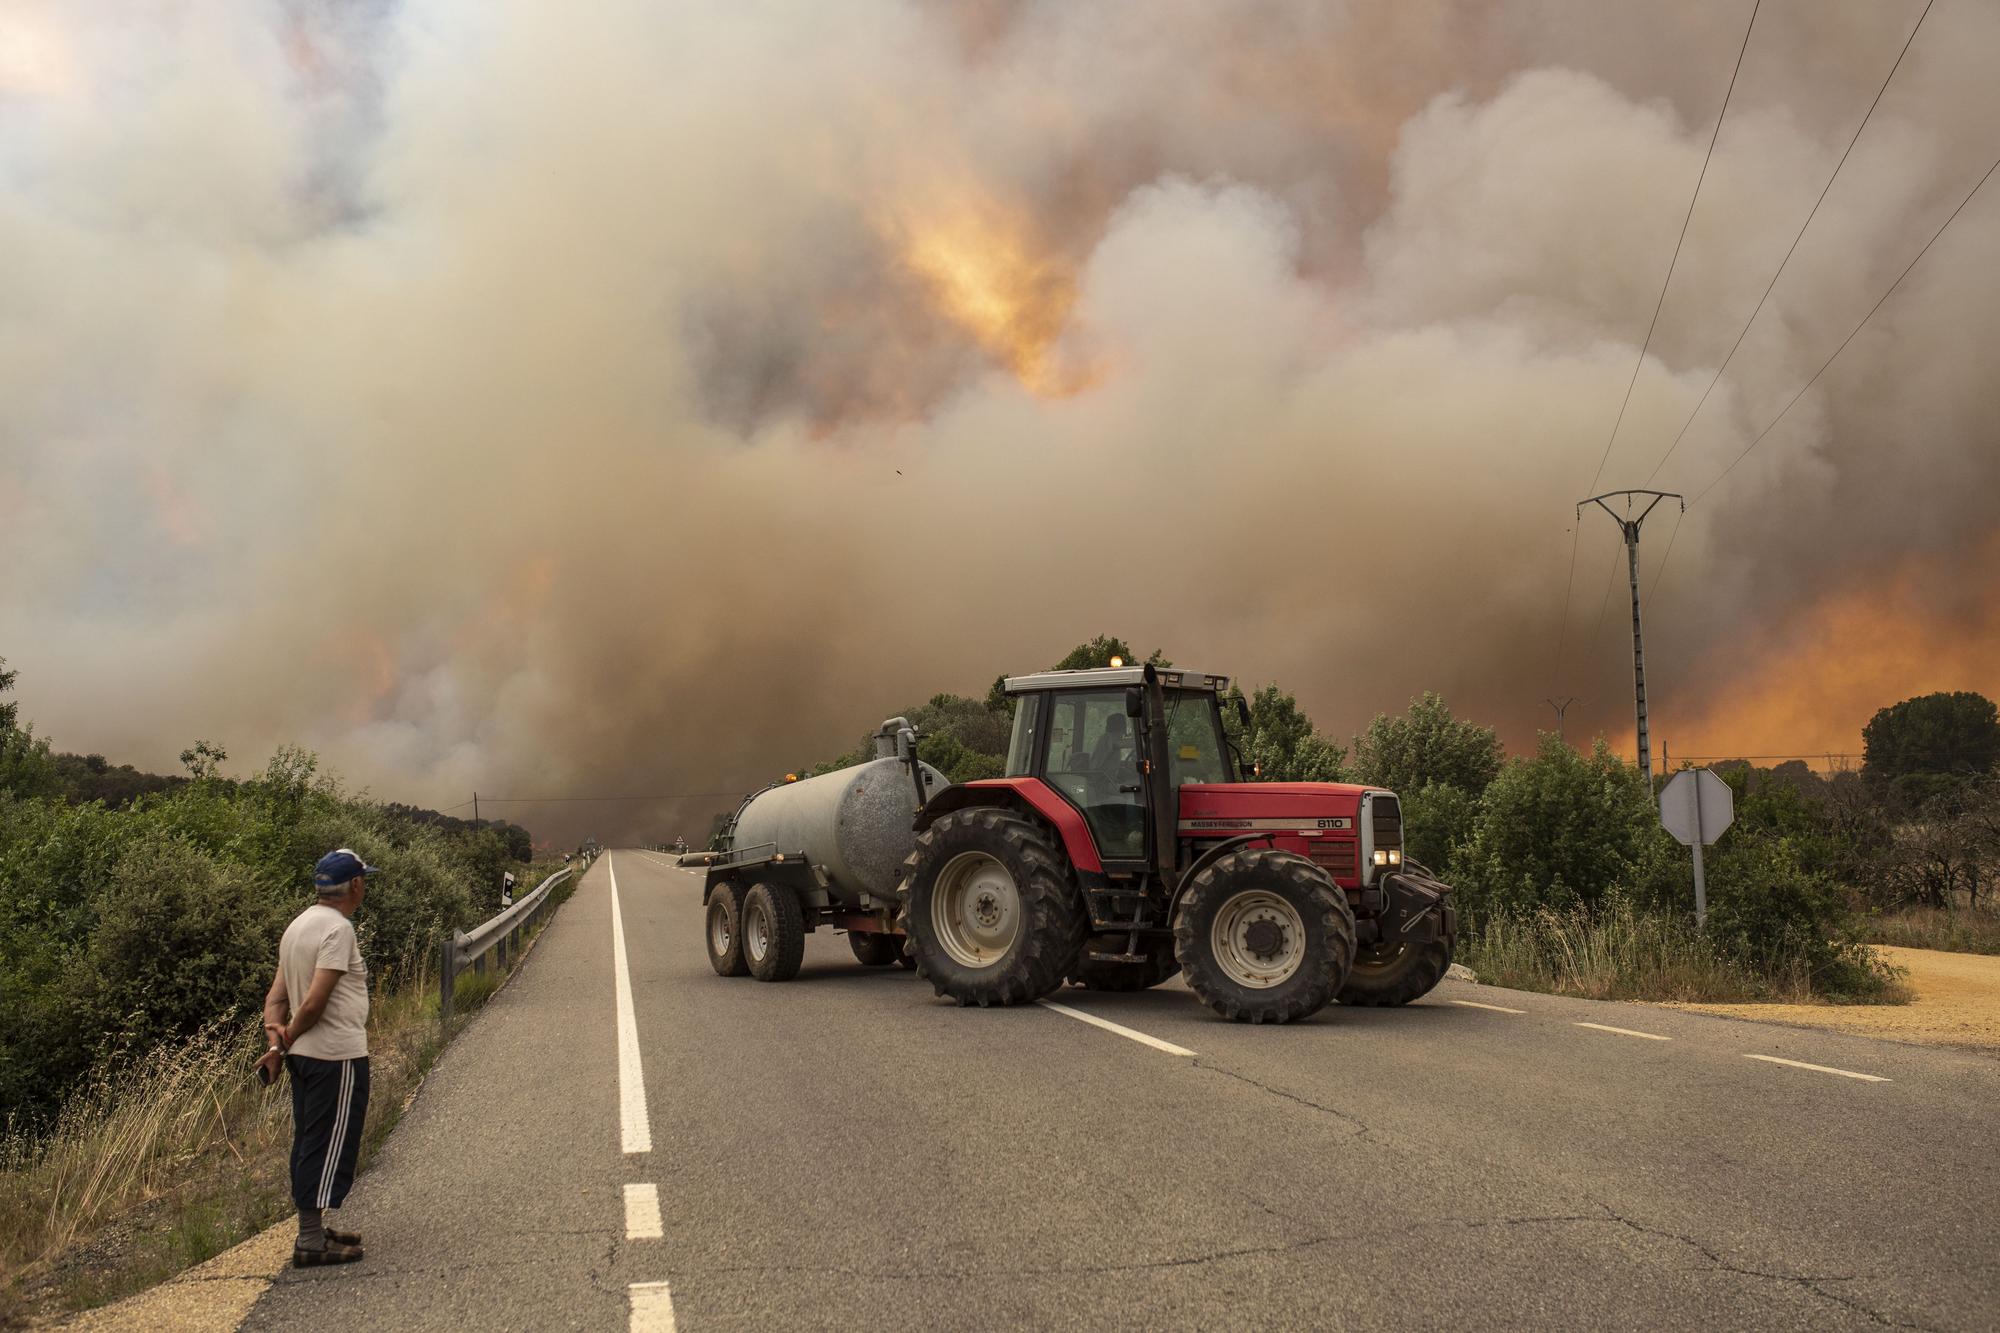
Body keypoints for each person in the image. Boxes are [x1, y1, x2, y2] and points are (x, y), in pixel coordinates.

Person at [257, 848, 378, 1266]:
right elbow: (313, 1003)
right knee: (328, 1144)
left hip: (304, 1058)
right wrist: (288, 1036)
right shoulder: (338, 930)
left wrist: (277, 1045)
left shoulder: (298, 926)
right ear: (355, 885)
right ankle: (310, 1241)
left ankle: (313, 1229)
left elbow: (276, 999)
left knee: (311, 1140)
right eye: (365, 880)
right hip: (335, 1056)